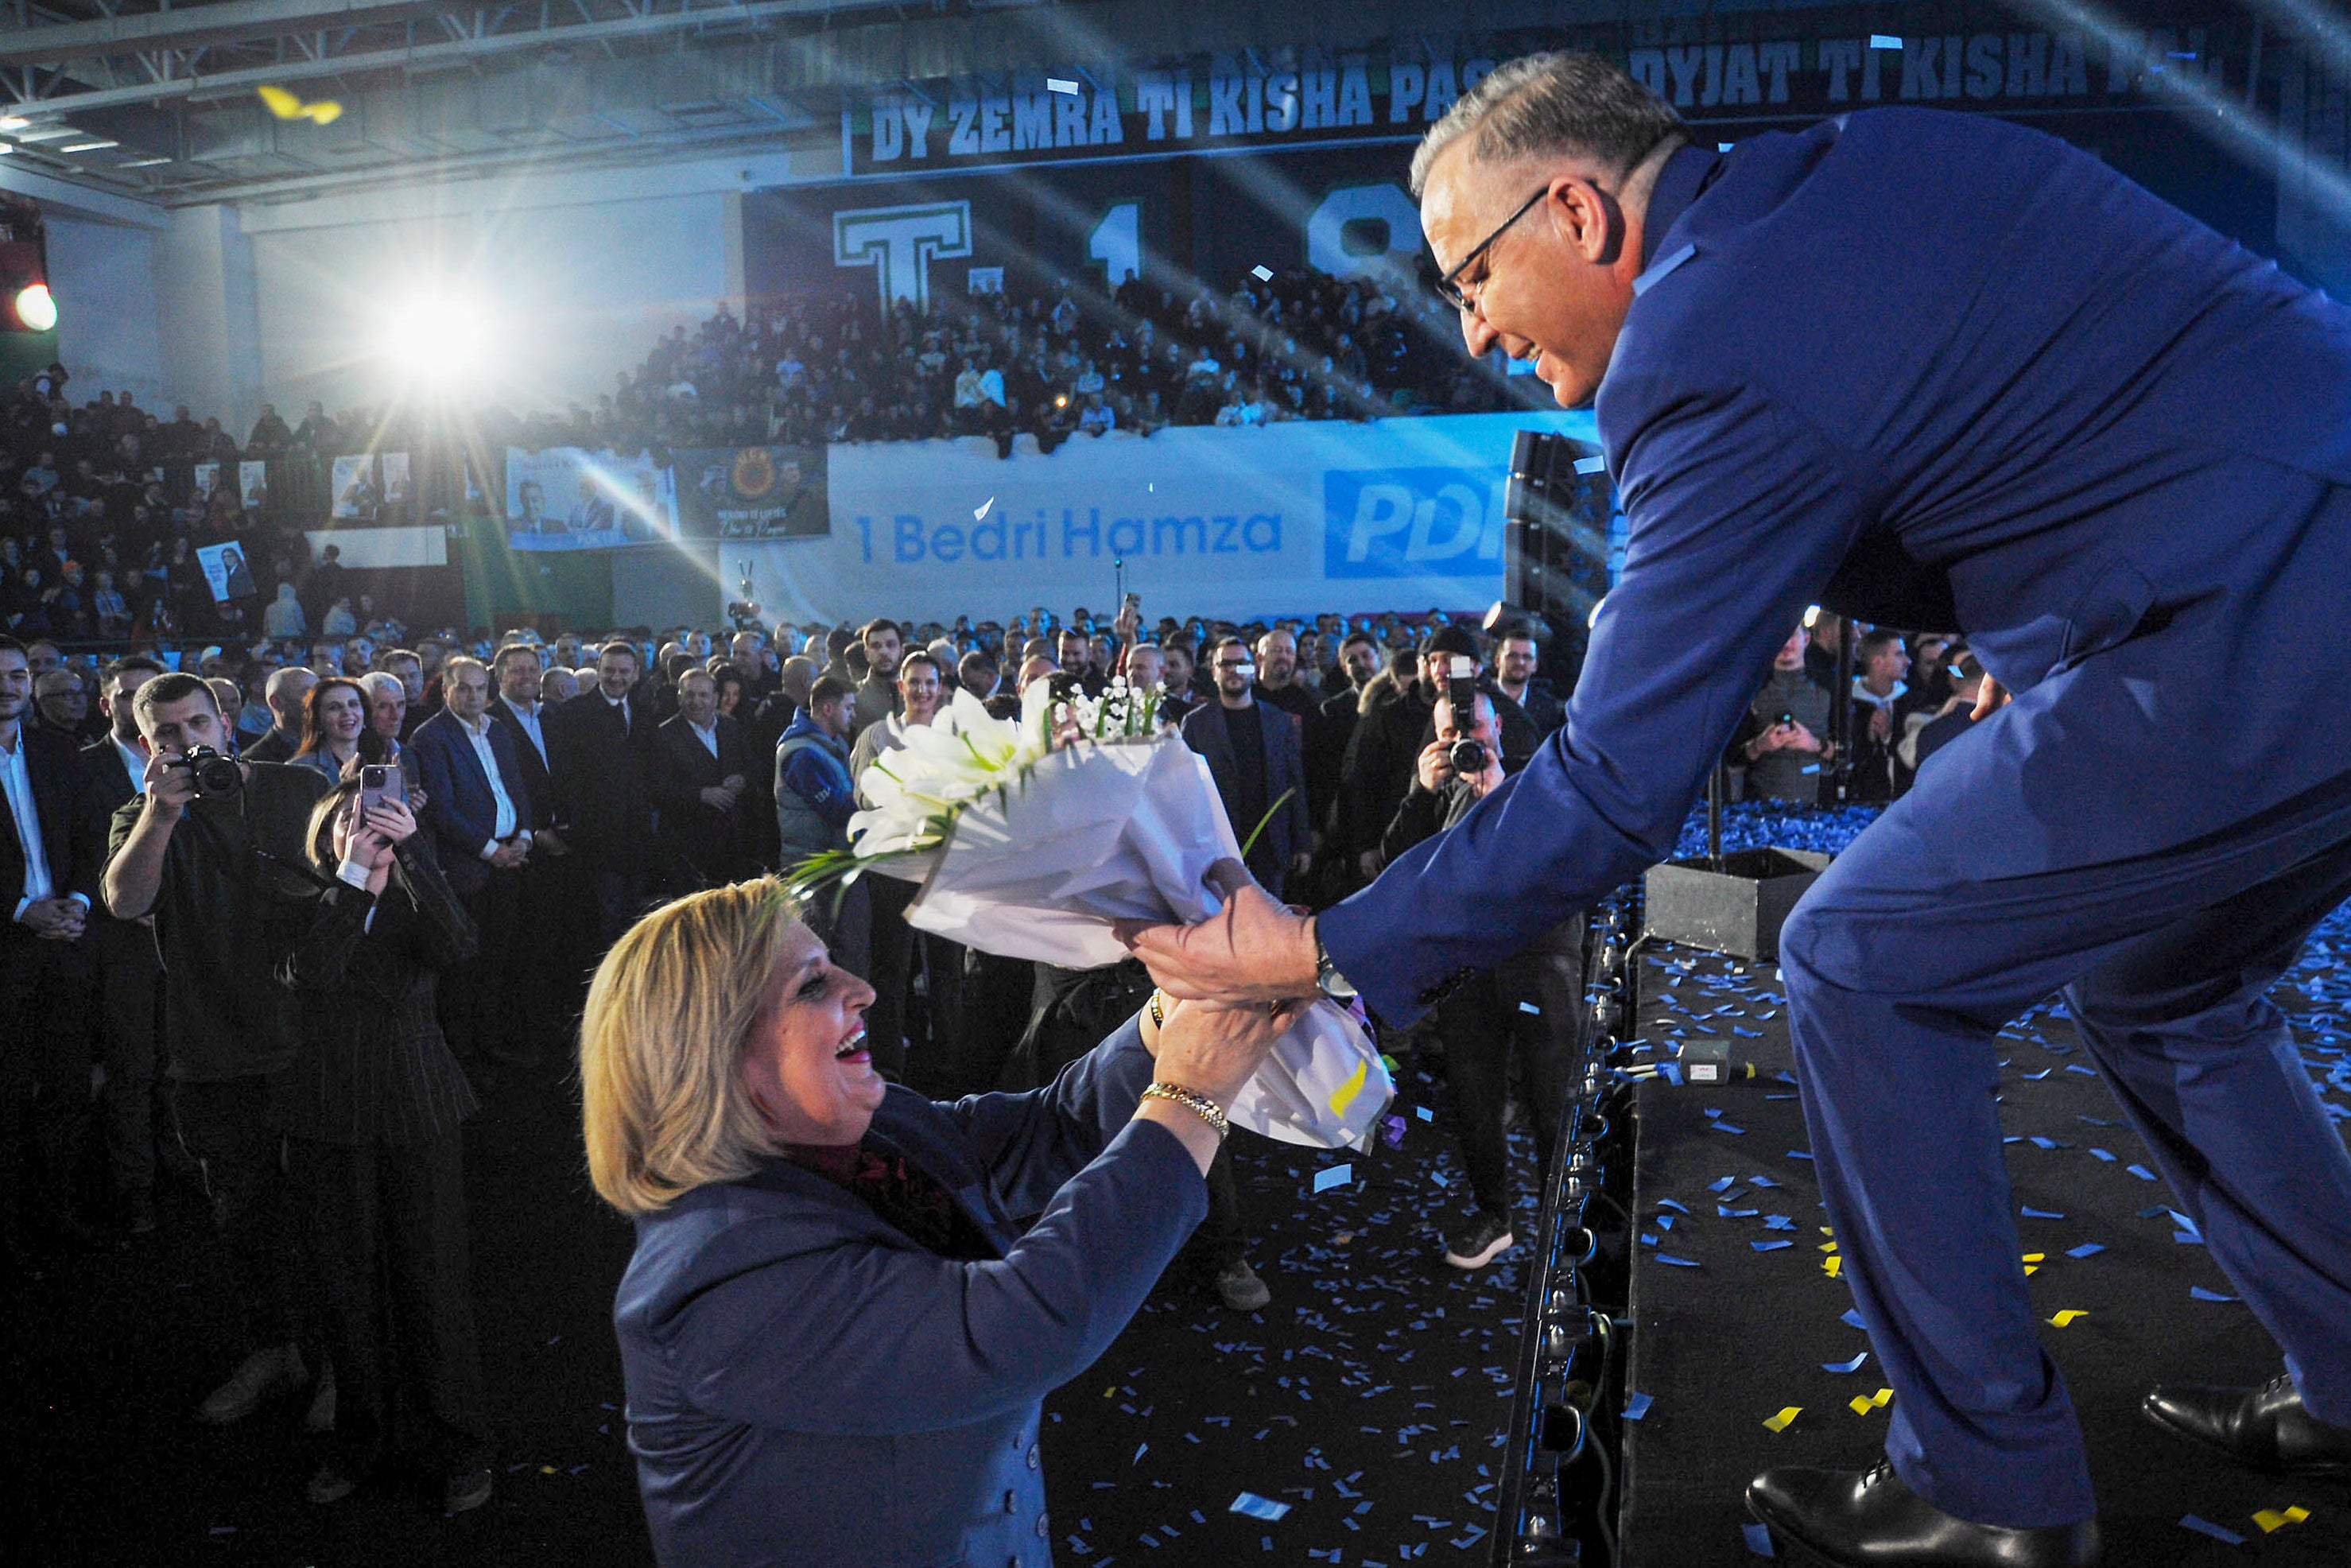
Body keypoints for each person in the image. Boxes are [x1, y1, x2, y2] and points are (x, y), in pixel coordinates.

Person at [1119, 51, 2351, 1567]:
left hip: (2248, 628)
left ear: (1574, 209)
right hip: (2271, 562)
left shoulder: (1699, 346)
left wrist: (1314, 944)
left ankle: (1992, 1485)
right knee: (2168, 982)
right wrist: (2040, 641)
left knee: (1859, 959)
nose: (1474, 332)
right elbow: (2087, 400)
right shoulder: (1862, 165)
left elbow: (1602, 794)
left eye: (1467, 278)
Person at [585, 879, 1290, 1568]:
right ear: (714, 1056)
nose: (860, 989)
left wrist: (1174, 1007)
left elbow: (1053, 1128)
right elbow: (1017, 1331)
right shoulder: (716, 1272)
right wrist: (1190, 1096)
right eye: (811, 986)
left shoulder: (869, 1127)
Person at [105, 673, 328, 1426]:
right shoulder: (139, 815)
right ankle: (271, 1351)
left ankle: (341, 1358)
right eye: (168, 733)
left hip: (307, 1037)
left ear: (226, 722)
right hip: (211, 1049)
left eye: (199, 723)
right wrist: (162, 816)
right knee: (242, 1216)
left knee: (330, 1209)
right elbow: (126, 901)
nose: (189, 741)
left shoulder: (293, 788)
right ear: (147, 744)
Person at [274, 781, 493, 1513]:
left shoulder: (416, 895)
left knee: (433, 1282)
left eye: (376, 819)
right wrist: (352, 883)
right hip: (328, 1114)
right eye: (349, 822)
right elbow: (312, 974)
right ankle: (359, 1441)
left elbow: (460, 945)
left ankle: (456, 1447)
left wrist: (417, 856)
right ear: (324, 834)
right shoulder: (296, 897)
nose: (364, 831)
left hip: (419, 1106)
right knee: (346, 1286)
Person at [1375, 685, 1582, 1270]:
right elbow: (1394, 863)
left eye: (1476, 730)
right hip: (1465, 965)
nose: (1464, 742)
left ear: (1499, 730)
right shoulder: (1435, 793)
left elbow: (1563, 860)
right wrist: (1420, 793)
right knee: (1472, 1097)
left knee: (1551, 1101)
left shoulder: (1539, 780)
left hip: (1538, 961)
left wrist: (1495, 790)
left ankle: (1560, 1222)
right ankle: (1494, 1215)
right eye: (1448, 734)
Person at [0, 635, 101, 1261]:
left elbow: (95, 839)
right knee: (7, 1094)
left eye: (14, 675)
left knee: (67, 1087)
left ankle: (57, 1212)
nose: (7, 685)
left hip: (67, 941)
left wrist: (79, 905)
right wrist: (21, 910)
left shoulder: (57, 750)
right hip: (6, 948)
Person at [407, 657, 532, 1065]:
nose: (473, 696)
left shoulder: (496, 730)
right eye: (463, 688)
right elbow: (441, 809)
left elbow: (515, 786)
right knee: (467, 969)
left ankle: (491, 1044)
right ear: (446, 691)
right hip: (469, 869)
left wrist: (524, 836)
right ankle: (466, 1058)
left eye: (480, 688)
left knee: (500, 959)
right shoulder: (431, 737)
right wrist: (491, 850)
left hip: (510, 858)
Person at [79, 655, 166, 1232]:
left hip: (187, 945)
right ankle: (136, 1188)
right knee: (131, 1071)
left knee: (185, 1064)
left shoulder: (200, 765)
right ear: (107, 703)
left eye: (148, 696)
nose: (137, 705)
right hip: (119, 947)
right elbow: (67, 851)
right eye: (126, 694)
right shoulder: (77, 766)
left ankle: (189, 1169)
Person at [844, 652, 949, 1081]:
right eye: (915, 682)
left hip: (945, 870)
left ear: (940, 688)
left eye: (930, 682)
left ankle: (949, 1069)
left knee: (946, 975)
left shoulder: (955, 736)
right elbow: (866, 796)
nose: (922, 690)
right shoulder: (876, 735)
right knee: (892, 972)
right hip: (893, 869)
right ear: (901, 687)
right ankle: (890, 1068)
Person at [1180, 638, 1310, 900]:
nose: (1233, 670)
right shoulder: (1196, 724)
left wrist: (1302, 843)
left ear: (1253, 669)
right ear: (1214, 671)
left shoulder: (1279, 721)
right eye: (1225, 664)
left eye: (1241, 663)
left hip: (1269, 847)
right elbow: (1184, 789)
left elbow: (1294, 784)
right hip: (1215, 848)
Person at [549, 639, 654, 947]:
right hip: (597, 841)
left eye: (624, 671)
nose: (616, 678)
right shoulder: (574, 713)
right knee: (603, 928)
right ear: (598, 670)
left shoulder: (644, 712)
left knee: (634, 923)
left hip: (637, 838)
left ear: (636, 673)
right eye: (609, 671)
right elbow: (564, 774)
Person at [648, 667, 753, 891]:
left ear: (715, 698)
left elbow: (752, 766)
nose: (696, 702)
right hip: (687, 845)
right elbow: (657, 788)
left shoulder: (731, 727)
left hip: (730, 842)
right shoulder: (665, 735)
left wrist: (742, 779)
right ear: (679, 698)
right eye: (690, 695)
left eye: (703, 695)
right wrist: (700, 794)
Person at [1728, 625, 1836, 805]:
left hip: (1819, 803)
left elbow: (1848, 751)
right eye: (1780, 635)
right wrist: (1760, 745)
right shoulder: (1749, 689)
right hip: (1760, 806)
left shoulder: (1829, 686)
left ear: (1806, 639)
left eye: (1792, 635)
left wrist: (1815, 744)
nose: (1786, 642)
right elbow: (1731, 757)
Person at [288, 676, 384, 785]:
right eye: (334, 707)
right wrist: (343, 789)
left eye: (353, 704)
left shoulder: (380, 761)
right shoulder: (300, 769)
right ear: (318, 720)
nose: (347, 712)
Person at [244, 666, 317, 763]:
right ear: (276, 702)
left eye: (319, 693)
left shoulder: (335, 745)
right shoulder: (256, 762)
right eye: (308, 693)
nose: (317, 700)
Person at [849, 618, 902, 737]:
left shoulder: (917, 694)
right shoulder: (854, 697)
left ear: (902, 651)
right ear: (867, 654)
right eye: (876, 646)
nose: (884, 651)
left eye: (891, 645)